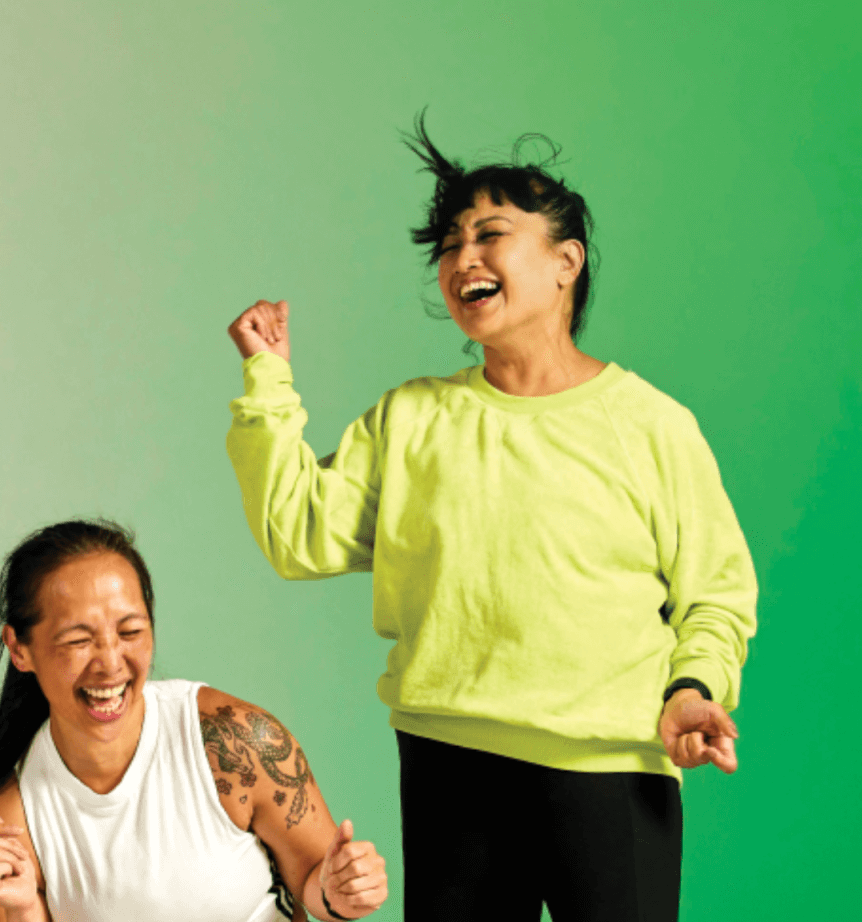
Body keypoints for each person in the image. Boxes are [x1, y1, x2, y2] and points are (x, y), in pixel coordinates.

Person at [222, 117, 757, 920]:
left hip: (611, 768)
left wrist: (692, 687)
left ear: (565, 262)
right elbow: (298, 532)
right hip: (451, 766)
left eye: (489, 234)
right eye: (448, 244)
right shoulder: (411, 420)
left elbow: (716, 592)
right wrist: (268, 382)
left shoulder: (651, 425)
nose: (460, 258)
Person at [0, 520, 389, 922]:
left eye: (130, 632)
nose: (110, 663)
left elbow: (315, 883)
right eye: (78, 639)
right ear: (19, 648)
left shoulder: (234, 742)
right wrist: (23, 908)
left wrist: (338, 892)